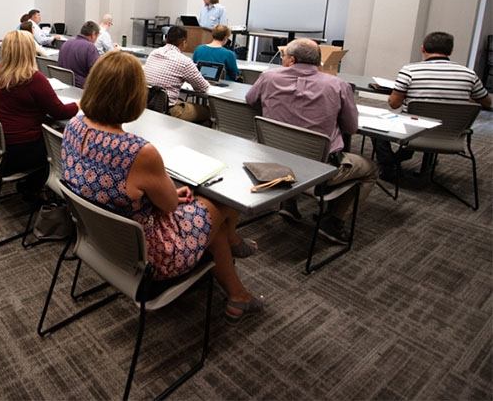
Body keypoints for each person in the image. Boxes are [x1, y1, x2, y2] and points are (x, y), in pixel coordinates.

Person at [61, 52, 263, 323]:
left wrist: (166, 193)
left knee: (209, 225)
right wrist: (170, 194)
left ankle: (238, 294)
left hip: (102, 240)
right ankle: (235, 255)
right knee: (222, 204)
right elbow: (168, 206)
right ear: (135, 96)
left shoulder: (74, 125)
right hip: (151, 257)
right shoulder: (137, 151)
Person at [245, 39, 378, 244]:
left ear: (291, 59)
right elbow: (351, 128)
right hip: (319, 169)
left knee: (289, 146)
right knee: (370, 169)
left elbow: (250, 100)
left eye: (283, 56)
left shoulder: (268, 77)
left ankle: (288, 202)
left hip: (270, 161)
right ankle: (334, 221)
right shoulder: (339, 86)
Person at [0, 31, 78, 202]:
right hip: (20, 150)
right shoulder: (34, 78)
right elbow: (60, 112)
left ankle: (32, 185)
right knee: (63, 147)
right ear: (29, 51)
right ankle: (35, 188)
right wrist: (79, 104)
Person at [376, 31, 490, 168]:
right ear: (451, 50)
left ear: (423, 48)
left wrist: (404, 93)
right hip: (450, 133)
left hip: (412, 131)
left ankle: (389, 165)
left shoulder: (409, 71)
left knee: (375, 124)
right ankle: (403, 158)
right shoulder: (469, 74)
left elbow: (394, 104)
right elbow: (487, 102)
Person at [143, 25, 211, 125]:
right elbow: (203, 88)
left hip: (149, 104)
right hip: (169, 109)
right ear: (184, 43)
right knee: (208, 111)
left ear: (166, 40)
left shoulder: (154, 53)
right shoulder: (184, 61)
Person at [57, 21, 101, 88]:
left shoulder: (66, 43)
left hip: (63, 85)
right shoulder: (90, 47)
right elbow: (97, 73)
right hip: (81, 88)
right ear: (93, 34)